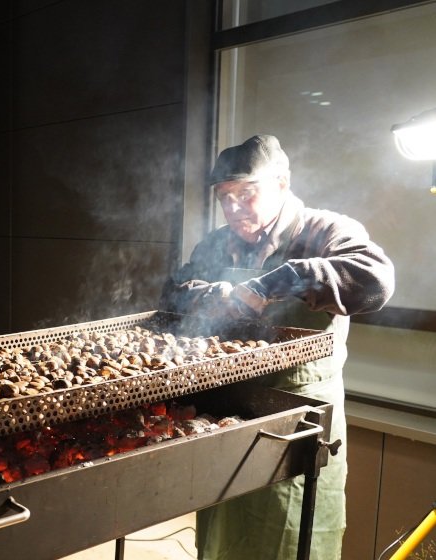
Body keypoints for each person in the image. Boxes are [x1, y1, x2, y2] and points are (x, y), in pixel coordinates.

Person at [160, 134, 395, 558]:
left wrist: (272, 284)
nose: (233, 208)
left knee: (293, 534)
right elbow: (174, 290)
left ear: (282, 184)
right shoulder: (217, 243)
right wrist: (218, 295)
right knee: (223, 532)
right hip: (229, 410)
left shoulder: (326, 230)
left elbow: (374, 280)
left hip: (298, 415)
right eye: (224, 197)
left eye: (246, 194)